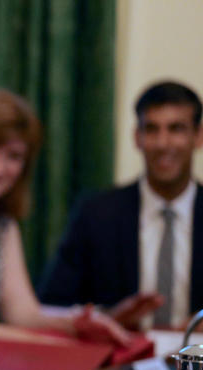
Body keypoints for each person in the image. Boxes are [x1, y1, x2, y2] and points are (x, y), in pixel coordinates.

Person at [0, 88, 132, 343]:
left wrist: (78, 324)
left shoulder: (2, 224)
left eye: (13, 156)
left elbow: (23, 314)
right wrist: (56, 344)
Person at [39, 80, 203, 329]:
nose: (163, 143)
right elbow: (51, 305)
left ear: (198, 136)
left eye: (176, 129)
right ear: (137, 138)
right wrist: (108, 317)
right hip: (118, 362)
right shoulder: (96, 214)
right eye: (151, 129)